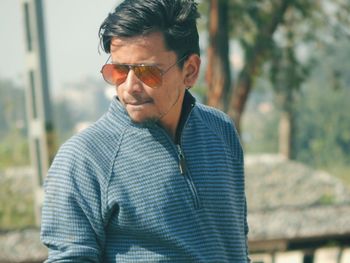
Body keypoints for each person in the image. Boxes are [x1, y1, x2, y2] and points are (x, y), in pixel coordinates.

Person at [40, 0, 250, 262]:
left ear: (191, 71)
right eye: (118, 70)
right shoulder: (83, 159)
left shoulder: (221, 131)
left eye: (147, 72)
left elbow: (237, 248)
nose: (130, 87)